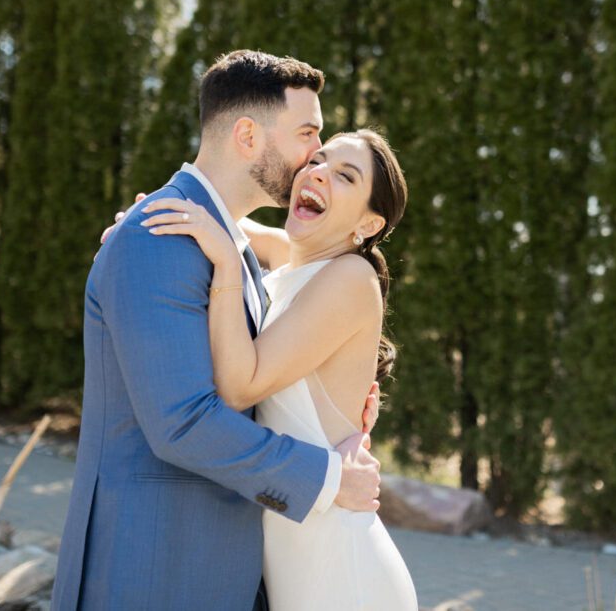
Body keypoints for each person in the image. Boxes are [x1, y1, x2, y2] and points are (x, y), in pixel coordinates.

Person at [53, 50, 382, 610]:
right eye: (308, 135)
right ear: (248, 136)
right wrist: (328, 478)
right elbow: (182, 424)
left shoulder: (227, 243)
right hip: (153, 569)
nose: (312, 160)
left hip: (222, 569)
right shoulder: (157, 237)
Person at [142, 128, 417, 610]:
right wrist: (142, 222)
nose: (318, 173)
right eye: (319, 161)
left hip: (339, 567)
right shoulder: (298, 259)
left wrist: (228, 266)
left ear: (369, 224)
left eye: (345, 176)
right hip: (292, 557)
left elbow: (239, 387)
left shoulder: (353, 277)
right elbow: (213, 217)